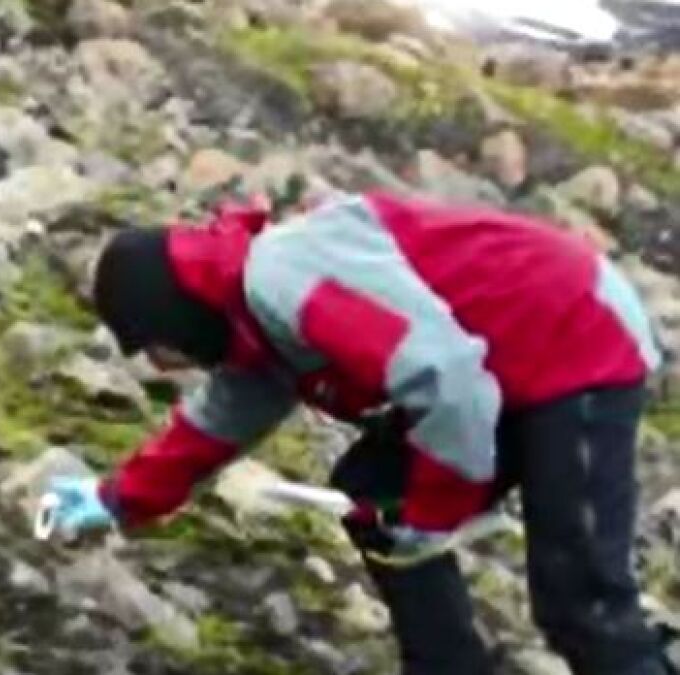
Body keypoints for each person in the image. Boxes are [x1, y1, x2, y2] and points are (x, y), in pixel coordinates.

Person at [45, 186, 673, 675]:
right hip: (497, 363)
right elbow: (212, 427)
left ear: (176, 312)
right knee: (377, 495)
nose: (162, 366)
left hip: (575, 335)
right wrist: (112, 500)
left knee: (579, 598)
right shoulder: (251, 325)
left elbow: (448, 381)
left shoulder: (286, 283)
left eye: (158, 346)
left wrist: (434, 515)